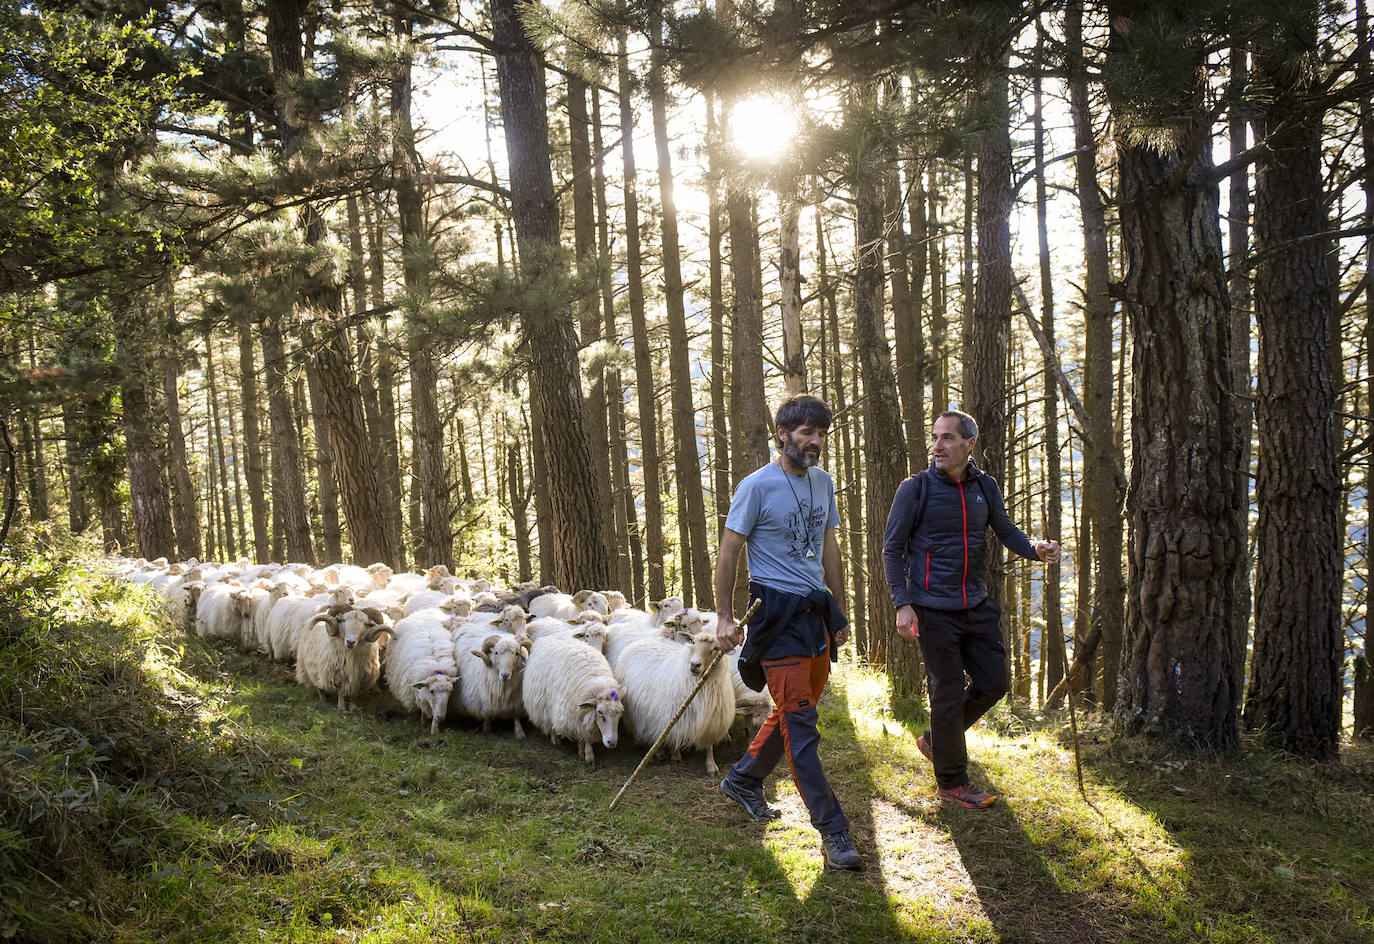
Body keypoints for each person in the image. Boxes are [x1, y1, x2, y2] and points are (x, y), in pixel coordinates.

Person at [882, 410, 1061, 809]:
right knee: (945, 693)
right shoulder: (916, 488)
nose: (937, 446)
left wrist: (1036, 549)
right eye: (934, 437)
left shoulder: (985, 486)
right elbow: (892, 549)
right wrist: (903, 603)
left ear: (969, 444)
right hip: (931, 608)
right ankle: (952, 781)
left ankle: (935, 741)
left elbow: (1006, 530)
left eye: (947, 438)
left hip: (975, 603)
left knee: (994, 683)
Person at [714, 393, 860, 871]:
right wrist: (724, 617)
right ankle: (834, 831)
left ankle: (742, 778)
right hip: (774, 615)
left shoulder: (823, 482)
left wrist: (839, 608)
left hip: (815, 612)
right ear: (783, 434)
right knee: (802, 727)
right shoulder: (757, 486)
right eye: (806, 434)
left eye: (821, 434)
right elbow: (730, 551)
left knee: (798, 708)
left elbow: (829, 546)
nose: (815, 442)